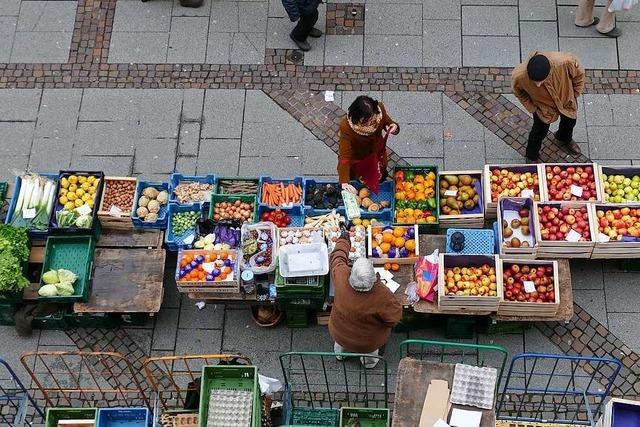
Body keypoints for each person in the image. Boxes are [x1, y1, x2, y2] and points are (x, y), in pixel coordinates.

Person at [328, 232, 402, 368]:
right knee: (370, 354)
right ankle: (368, 363)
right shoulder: (382, 295)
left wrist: (344, 240)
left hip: (339, 333)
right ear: (373, 277)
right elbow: (394, 319)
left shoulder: (341, 276)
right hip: (368, 342)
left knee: (341, 344)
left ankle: (340, 355)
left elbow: (337, 258)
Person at [511, 51, 585, 162]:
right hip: (543, 107)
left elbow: (579, 75)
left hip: (566, 101)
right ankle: (531, 155)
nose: (538, 85)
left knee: (569, 122)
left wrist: (574, 94)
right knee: (538, 131)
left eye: (541, 82)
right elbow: (519, 93)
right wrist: (532, 108)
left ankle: (563, 138)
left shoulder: (565, 62)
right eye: (534, 82)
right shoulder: (519, 76)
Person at [338, 96, 400, 195]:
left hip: (377, 155)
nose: (370, 123)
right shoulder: (346, 127)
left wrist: (394, 126)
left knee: (380, 175)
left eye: (372, 119)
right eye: (365, 121)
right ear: (356, 117)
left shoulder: (380, 109)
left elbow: (388, 121)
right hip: (361, 160)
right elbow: (344, 156)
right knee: (361, 181)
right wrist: (344, 181)